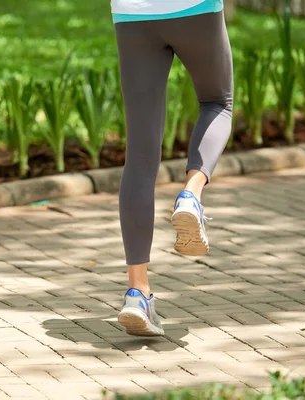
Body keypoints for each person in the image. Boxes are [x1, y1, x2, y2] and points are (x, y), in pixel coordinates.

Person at [112, 0, 232, 336]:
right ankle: (191, 194)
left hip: (132, 12)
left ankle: (137, 293)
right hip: (194, 7)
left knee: (139, 155)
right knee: (217, 102)